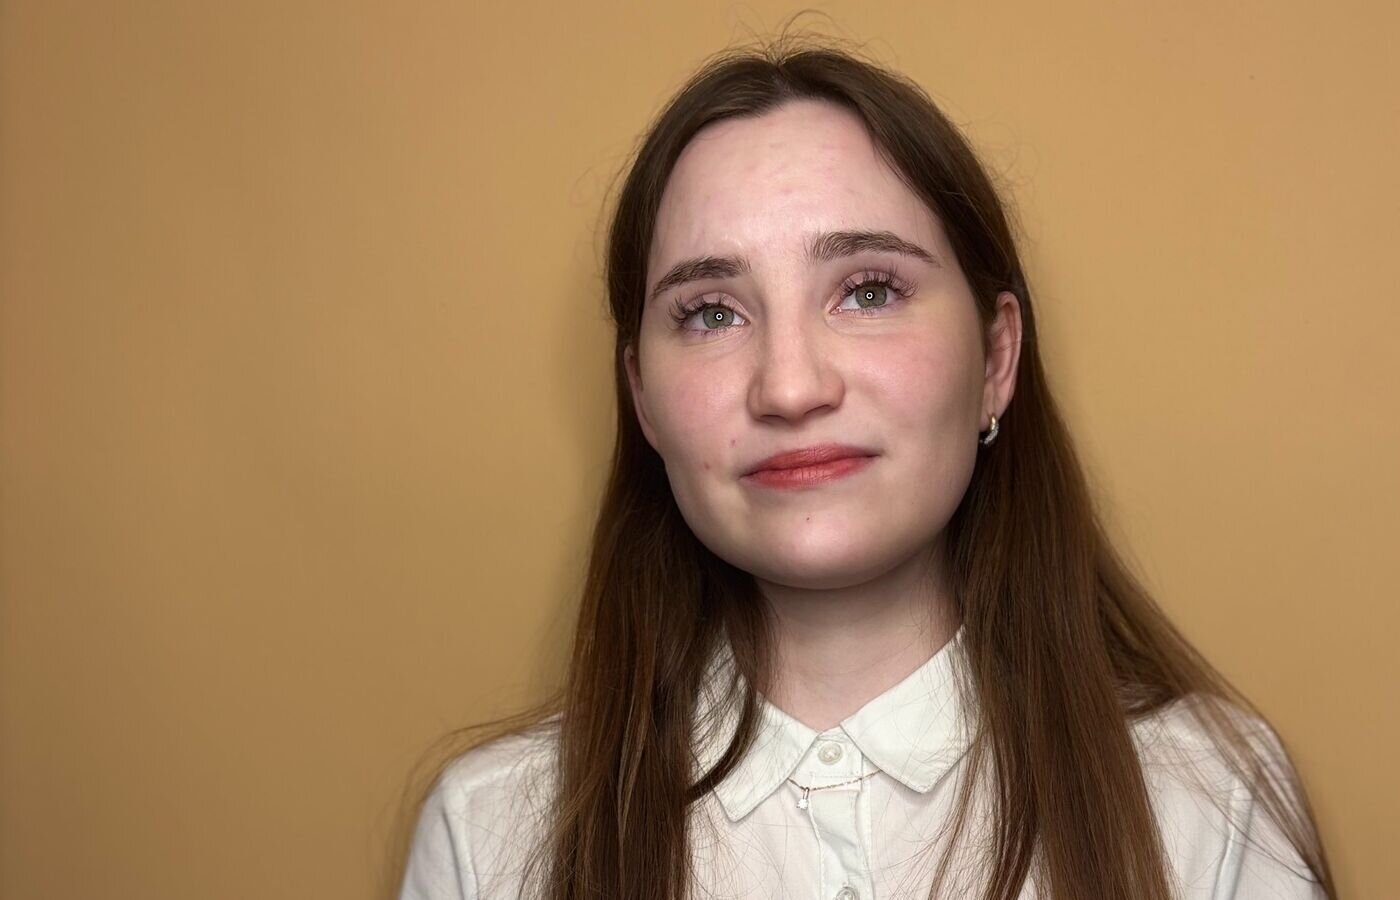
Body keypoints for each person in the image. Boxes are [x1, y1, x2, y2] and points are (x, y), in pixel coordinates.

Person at [395, 34, 1338, 900]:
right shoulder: (489, 837)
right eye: (712, 312)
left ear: (996, 357)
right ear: (642, 396)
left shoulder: (1209, 799)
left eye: (870, 291)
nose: (790, 386)